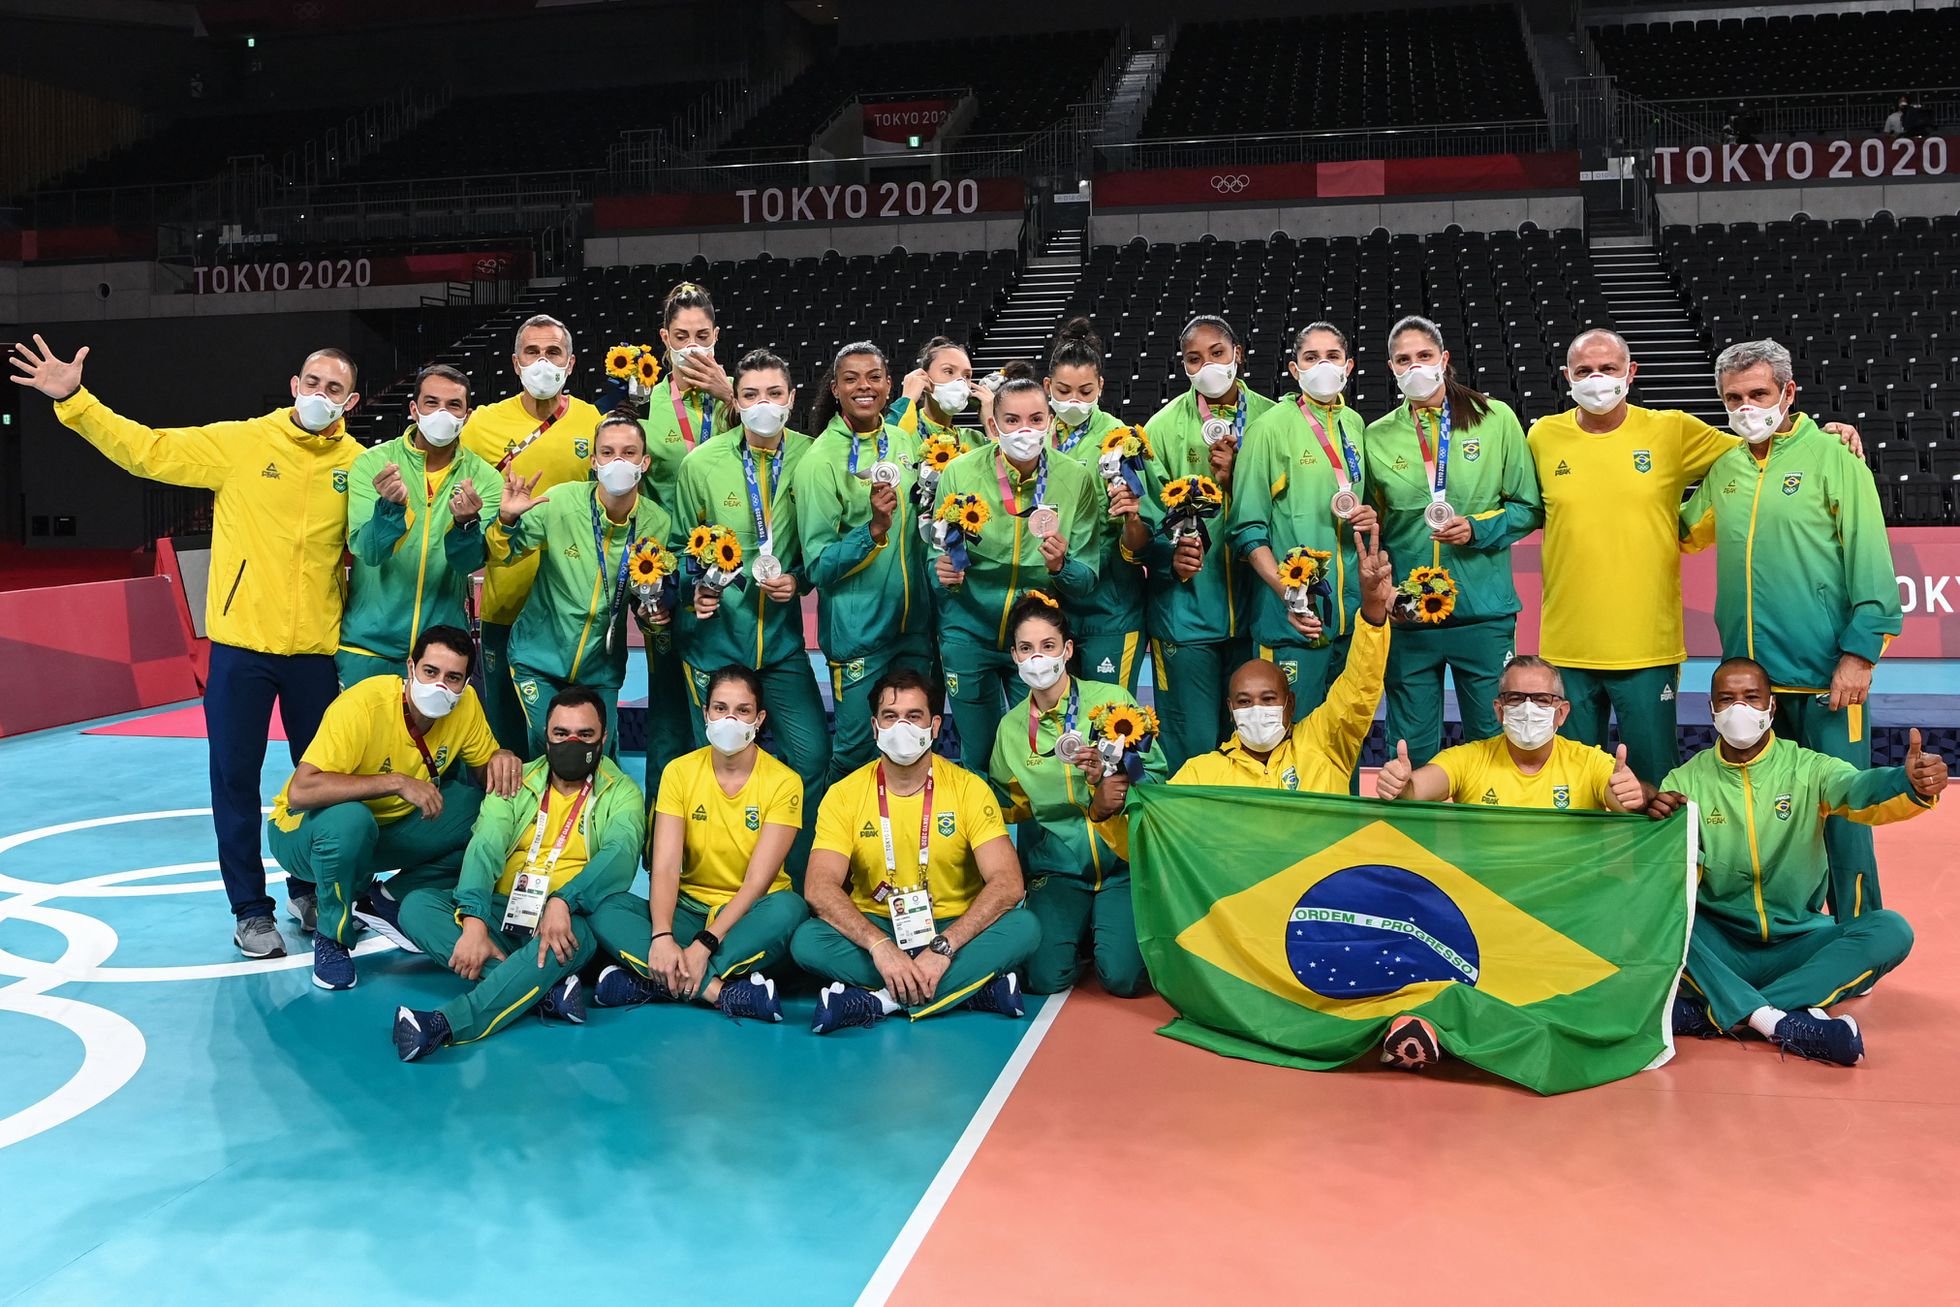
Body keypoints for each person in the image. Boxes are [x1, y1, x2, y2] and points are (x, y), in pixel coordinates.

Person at [11, 335, 362, 958]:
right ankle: (250, 910)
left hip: (315, 653)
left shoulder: (360, 466)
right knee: (234, 780)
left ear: (351, 401)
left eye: (334, 389)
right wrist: (75, 401)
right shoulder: (243, 443)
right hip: (241, 650)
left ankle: (309, 889)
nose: (320, 395)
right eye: (312, 382)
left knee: (322, 781)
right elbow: (148, 451)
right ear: (294, 386)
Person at [1528, 328, 1862, 785]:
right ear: (1567, 376)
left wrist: (1821, 434)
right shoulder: (1542, 436)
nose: (1597, 379)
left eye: (1608, 368)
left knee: (1654, 784)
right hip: (1565, 642)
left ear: (1631, 373)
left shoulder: (1673, 429)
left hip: (1648, 644)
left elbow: (1762, 445)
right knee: (1572, 781)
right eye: (1585, 370)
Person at [1681, 339, 1902, 920]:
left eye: (1758, 394)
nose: (1746, 407)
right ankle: (1784, 932)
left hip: (1826, 681)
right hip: (1751, 692)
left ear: (1788, 393)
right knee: (1768, 824)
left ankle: (1860, 934)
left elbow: (1872, 564)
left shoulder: (1834, 458)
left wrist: (1860, 656)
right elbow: (1681, 532)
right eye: (1733, 398)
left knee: (1845, 818)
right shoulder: (1726, 469)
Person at [1647, 658, 1945, 1066]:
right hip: (1721, 948)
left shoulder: (1808, 768)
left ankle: (1720, 1013)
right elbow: (1674, 883)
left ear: (1771, 707)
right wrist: (1665, 830)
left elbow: (1857, 788)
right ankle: (1779, 1020)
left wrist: (1906, 783)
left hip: (1798, 942)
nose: (1739, 709)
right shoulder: (1684, 782)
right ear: (1711, 709)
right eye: (1727, 699)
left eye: (1752, 698)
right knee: (1657, 919)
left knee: (1891, 930)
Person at [393, 687, 647, 1060]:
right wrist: (474, 919)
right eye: (561, 733)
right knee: (417, 907)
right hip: (506, 910)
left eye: (585, 735)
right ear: (546, 735)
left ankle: (446, 1023)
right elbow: (485, 847)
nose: (572, 743)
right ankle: (543, 989)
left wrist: (564, 900)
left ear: (603, 738)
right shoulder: (516, 781)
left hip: (569, 919)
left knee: (570, 937)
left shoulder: (622, 792)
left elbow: (619, 856)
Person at [266, 626, 523, 989]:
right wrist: (396, 782)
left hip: (385, 831)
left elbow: (485, 773)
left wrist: (501, 757)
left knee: (484, 812)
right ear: (410, 668)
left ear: (466, 683)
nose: (440, 686)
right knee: (350, 819)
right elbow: (301, 791)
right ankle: (331, 936)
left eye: (453, 678)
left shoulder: (465, 706)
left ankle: (385, 900)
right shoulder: (363, 705)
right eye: (430, 672)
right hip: (303, 830)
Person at [790, 668, 1041, 1032]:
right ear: (875, 727)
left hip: (953, 927)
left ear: (935, 726)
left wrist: (944, 947)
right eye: (890, 717)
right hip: (877, 926)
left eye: (914, 716)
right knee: (807, 941)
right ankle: (971, 989)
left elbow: (1008, 883)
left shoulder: (969, 788)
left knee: (1025, 926)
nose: (902, 727)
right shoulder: (844, 794)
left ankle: (880, 1001)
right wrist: (880, 946)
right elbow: (819, 886)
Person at [1363, 315, 1540, 769]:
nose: (1415, 367)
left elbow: (1528, 508)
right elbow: (1372, 525)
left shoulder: (1495, 419)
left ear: (1443, 359)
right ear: (1391, 367)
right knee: (1410, 748)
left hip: (1483, 612)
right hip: (1409, 614)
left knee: (1492, 741)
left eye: (1424, 356)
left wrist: (1478, 529)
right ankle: (1412, 814)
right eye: (1404, 360)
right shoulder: (1376, 436)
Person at [588, 666, 808, 1022]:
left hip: (749, 917)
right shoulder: (679, 772)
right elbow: (664, 866)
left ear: (759, 719)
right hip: (688, 912)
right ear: (706, 713)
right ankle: (717, 991)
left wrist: (705, 943)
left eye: (743, 710)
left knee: (790, 908)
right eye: (720, 708)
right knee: (608, 909)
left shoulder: (784, 781)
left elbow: (757, 883)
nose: (730, 720)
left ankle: (660, 981)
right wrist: (662, 935)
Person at [672, 348, 829, 803]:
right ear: (736, 401)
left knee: (812, 758)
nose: (764, 404)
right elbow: (678, 549)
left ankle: (794, 851)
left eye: (774, 393)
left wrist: (798, 580)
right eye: (751, 394)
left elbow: (820, 541)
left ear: (792, 398)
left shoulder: (812, 457)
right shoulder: (700, 464)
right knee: (718, 770)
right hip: (715, 646)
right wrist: (695, 588)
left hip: (781, 646)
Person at [988, 593, 1165, 996]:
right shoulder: (1011, 729)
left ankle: (1102, 926)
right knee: (1043, 979)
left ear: (1067, 650)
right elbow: (1009, 808)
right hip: (1059, 870)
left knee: (1123, 979)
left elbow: (1156, 777)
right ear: (1014, 656)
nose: (1037, 658)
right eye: (1026, 648)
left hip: (1122, 865)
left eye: (1048, 646)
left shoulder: (1112, 702)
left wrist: (1115, 776)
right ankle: (1076, 925)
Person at [931, 365, 1102, 763]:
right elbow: (933, 556)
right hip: (968, 634)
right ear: (994, 424)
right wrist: (942, 573)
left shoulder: (1075, 478)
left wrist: (1061, 567)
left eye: (1036, 419)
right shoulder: (960, 472)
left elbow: (1086, 578)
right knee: (980, 754)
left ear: (1050, 421)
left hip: (1035, 642)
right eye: (1012, 420)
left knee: (1036, 758)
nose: (1025, 430)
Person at [488, 412, 677, 756]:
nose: (618, 461)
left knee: (597, 757)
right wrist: (507, 520)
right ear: (593, 462)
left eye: (629, 453)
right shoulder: (561, 502)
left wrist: (652, 617)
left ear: (645, 462)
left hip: (601, 668)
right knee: (552, 751)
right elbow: (503, 554)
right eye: (607, 452)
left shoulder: (658, 523)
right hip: (538, 659)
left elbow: (648, 596)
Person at [1136, 314, 1276, 771]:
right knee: (1190, 746)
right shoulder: (1161, 428)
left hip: (1257, 615)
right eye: (1194, 359)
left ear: (1238, 354)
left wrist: (1239, 478)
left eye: (1217, 353)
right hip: (1186, 617)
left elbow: (1291, 508)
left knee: (1250, 747)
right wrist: (1169, 558)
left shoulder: (1274, 420)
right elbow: (1146, 522)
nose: (1208, 366)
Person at [789, 341, 933, 781]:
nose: (863, 387)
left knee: (913, 748)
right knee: (854, 753)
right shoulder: (820, 462)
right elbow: (817, 566)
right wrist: (872, 530)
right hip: (860, 635)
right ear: (835, 389)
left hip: (915, 627)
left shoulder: (904, 441)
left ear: (889, 385)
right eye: (850, 379)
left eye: (873, 377)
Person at [461, 314, 604, 755]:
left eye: (553, 352)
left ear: (571, 363)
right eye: (533, 352)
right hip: (507, 603)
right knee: (506, 739)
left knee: (578, 737)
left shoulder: (591, 421)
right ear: (516, 362)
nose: (543, 362)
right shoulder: (482, 425)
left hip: (573, 609)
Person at [1169, 524, 1393, 790]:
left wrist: (1373, 608)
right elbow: (1156, 813)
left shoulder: (1325, 744)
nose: (1257, 710)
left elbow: (1359, 690)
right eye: (1244, 701)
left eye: (1268, 699)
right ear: (1230, 709)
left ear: (1291, 703)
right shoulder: (1201, 775)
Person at [1232, 321, 1376, 714]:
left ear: (1348, 366)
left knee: (1344, 737)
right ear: (1295, 370)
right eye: (1311, 358)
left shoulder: (1354, 424)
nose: (1323, 365)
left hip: (1348, 623)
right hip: (1292, 622)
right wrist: (1289, 595)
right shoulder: (1269, 428)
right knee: (1290, 740)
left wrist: (1368, 516)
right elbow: (1247, 529)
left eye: (1332, 356)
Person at [338, 364, 503, 687]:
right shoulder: (372, 464)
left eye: (453, 405)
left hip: (441, 654)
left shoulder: (485, 479)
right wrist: (389, 509)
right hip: (368, 646)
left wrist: (466, 524)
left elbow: (467, 563)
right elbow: (369, 552)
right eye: (432, 403)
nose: (442, 413)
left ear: (467, 416)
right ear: (414, 410)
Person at [635, 282, 732, 790]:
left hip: (731, 568)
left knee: (728, 697)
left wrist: (728, 396)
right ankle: (663, 821)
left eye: (702, 335)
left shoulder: (744, 395)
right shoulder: (645, 402)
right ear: (664, 339)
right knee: (669, 705)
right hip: (667, 569)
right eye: (680, 336)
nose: (692, 346)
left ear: (716, 336)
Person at [1376, 655, 1649, 813]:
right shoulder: (1468, 759)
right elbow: (1415, 790)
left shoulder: (1589, 762)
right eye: (1516, 698)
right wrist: (1400, 784)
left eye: (1541, 699)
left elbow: (1625, 802)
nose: (1528, 708)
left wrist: (1636, 797)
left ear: (1562, 712)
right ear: (1499, 710)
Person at [1044, 318, 1147, 694]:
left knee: (1109, 717)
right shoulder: (1035, 439)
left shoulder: (1121, 440)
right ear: (1047, 387)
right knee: (1059, 717)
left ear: (1101, 387)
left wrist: (1132, 515)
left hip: (1110, 611)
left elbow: (1142, 538)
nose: (1074, 400)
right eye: (1064, 390)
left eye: (1085, 391)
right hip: (1051, 611)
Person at [893, 335, 985, 451]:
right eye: (949, 371)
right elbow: (884, 449)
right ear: (924, 376)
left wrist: (991, 422)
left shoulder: (976, 441)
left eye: (967, 376)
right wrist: (906, 400)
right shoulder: (905, 431)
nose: (960, 381)